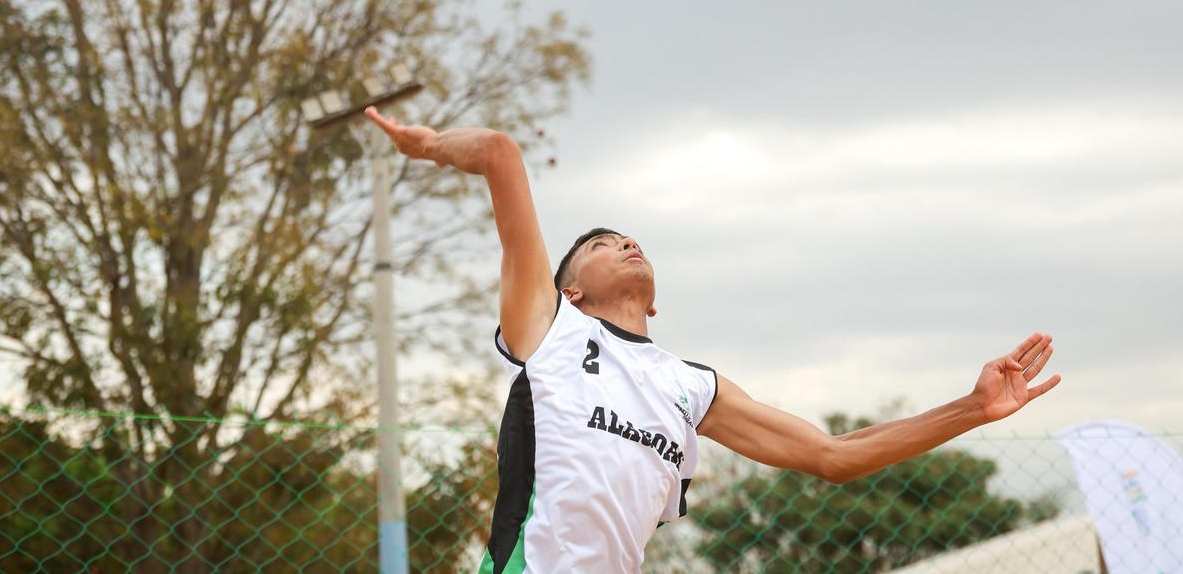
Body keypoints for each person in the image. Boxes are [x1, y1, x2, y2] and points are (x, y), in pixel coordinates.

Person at [364, 110, 1061, 573]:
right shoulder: (550, 328)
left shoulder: (689, 383)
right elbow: (498, 152)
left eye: (632, 238)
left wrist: (970, 408)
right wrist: (423, 146)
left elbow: (831, 455)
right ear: (568, 289)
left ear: (657, 299)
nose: (628, 241)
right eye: (604, 243)